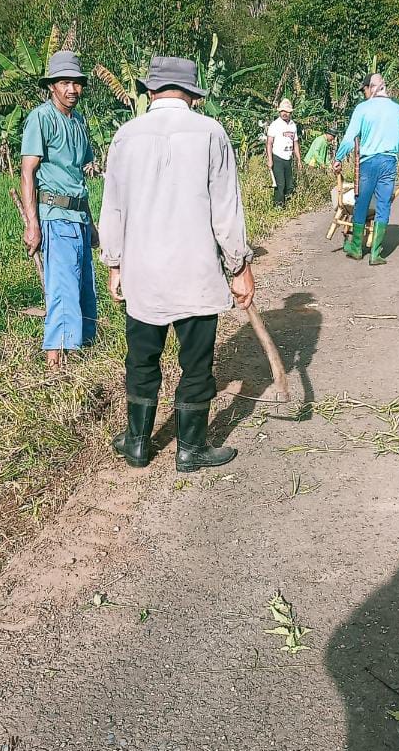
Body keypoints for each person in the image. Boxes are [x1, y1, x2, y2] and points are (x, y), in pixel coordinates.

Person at [99, 56, 255, 471]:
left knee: (141, 360)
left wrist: (115, 264)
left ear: (151, 92)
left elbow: (112, 208)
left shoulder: (125, 136)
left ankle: (136, 444)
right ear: (192, 94)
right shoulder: (210, 133)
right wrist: (239, 266)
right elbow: (226, 210)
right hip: (196, 274)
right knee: (197, 364)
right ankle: (191, 449)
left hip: (143, 275)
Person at [20, 50, 99, 369]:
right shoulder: (41, 118)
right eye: (65, 82)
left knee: (84, 290)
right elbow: (28, 172)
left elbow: (78, 176)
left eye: (76, 83)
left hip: (79, 217)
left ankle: (83, 356)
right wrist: (32, 224)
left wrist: (91, 223)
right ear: (52, 86)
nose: (72, 89)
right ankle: (55, 363)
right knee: (63, 288)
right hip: (55, 217)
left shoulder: (78, 120)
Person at [332, 73, 399, 265]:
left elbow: (350, 137)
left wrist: (338, 158)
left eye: (365, 90)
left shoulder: (362, 109)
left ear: (371, 87)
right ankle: (376, 253)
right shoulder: (398, 110)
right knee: (384, 204)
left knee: (362, 202)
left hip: (368, 164)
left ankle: (357, 248)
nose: (364, 94)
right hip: (389, 163)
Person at [266, 98, 302, 206]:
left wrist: (299, 159)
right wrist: (270, 160)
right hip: (277, 157)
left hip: (288, 158)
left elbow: (295, 143)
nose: (284, 113)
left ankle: (288, 205)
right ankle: (278, 206)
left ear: (290, 112)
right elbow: (269, 143)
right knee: (280, 184)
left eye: (286, 111)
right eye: (282, 111)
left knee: (289, 184)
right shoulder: (275, 125)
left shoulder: (293, 125)